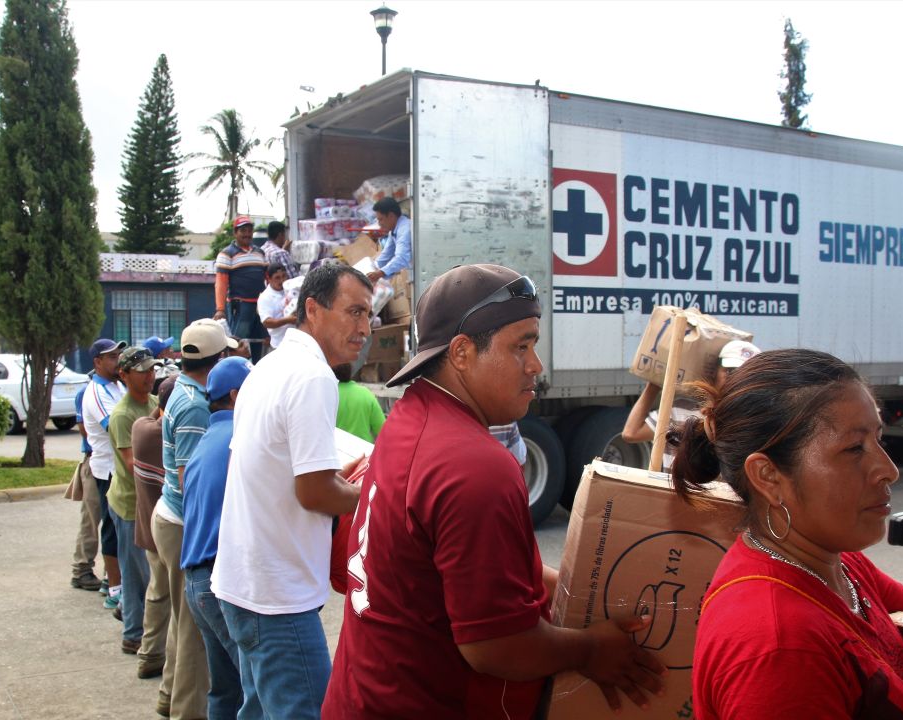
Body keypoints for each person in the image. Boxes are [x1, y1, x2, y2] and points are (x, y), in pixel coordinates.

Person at [323, 264, 664, 720]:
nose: (536, 366)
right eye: (520, 346)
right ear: (462, 353)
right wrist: (592, 651)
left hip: (363, 696)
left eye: (534, 345)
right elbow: (495, 645)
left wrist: (573, 587)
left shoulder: (410, 419)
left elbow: (462, 564)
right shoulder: (474, 465)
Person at [665, 348, 903, 719]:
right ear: (768, 476)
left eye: (879, 439)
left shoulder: (840, 564)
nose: (887, 469)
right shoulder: (780, 646)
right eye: (855, 449)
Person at [215, 264, 373, 719]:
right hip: (277, 597)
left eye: (368, 315)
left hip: (241, 584)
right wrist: (379, 494)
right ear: (312, 309)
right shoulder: (314, 377)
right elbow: (315, 495)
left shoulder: (268, 367)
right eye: (353, 312)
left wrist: (335, 481)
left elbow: (278, 470)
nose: (364, 328)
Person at [155, 320, 238, 720]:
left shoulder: (187, 390)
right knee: (192, 637)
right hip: (183, 523)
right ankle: (184, 711)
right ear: (218, 359)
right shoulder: (193, 405)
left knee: (185, 624)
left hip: (177, 519)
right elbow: (193, 481)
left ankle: (169, 694)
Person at [181, 357, 258, 720]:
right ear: (235, 394)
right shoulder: (238, 438)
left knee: (225, 690)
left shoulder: (209, 437)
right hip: (218, 580)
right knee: (255, 688)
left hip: (197, 580)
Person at [106, 346, 161, 656]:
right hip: (129, 504)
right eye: (142, 373)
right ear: (124, 375)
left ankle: (128, 610)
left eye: (152, 371)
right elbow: (133, 465)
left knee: (145, 573)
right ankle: (132, 634)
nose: (149, 377)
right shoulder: (122, 414)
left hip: (149, 502)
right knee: (136, 573)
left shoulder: (153, 403)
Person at [622, 339, 761, 445]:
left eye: (741, 374)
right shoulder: (678, 409)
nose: (733, 378)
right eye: (729, 371)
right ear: (714, 372)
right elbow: (631, 433)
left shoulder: (752, 422)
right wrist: (653, 386)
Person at [132, 376, 175, 693]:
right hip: (169, 529)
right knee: (178, 610)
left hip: (149, 526)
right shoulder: (164, 435)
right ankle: (166, 676)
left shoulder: (141, 427)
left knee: (156, 595)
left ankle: (148, 654)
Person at [82, 338, 126, 610]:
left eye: (118, 355)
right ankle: (114, 588)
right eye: (111, 357)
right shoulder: (96, 392)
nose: (117, 360)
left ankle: (115, 580)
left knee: (121, 528)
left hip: (119, 466)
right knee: (112, 528)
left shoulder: (117, 385)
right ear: (97, 362)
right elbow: (117, 427)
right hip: (109, 469)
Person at [214, 215, 269, 362]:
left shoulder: (260, 252)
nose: (247, 234)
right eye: (243, 230)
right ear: (235, 233)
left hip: (260, 306)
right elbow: (221, 283)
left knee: (261, 341)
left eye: (249, 230)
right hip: (241, 306)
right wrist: (220, 309)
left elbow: (268, 279)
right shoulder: (227, 254)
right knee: (237, 343)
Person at [70, 368, 103, 592]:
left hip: (107, 464)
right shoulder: (87, 393)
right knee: (91, 520)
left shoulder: (116, 390)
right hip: (94, 463)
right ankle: (81, 569)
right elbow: (85, 429)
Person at [333, 362, 384, 442]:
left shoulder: (328, 395)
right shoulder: (366, 394)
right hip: (364, 452)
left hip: (337, 451)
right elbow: (383, 429)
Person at [365, 197, 411, 284]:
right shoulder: (394, 230)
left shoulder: (405, 230)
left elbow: (402, 258)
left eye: (381, 219)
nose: (379, 224)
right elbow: (385, 255)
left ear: (391, 216)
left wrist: (380, 273)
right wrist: (372, 268)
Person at [257, 263, 297, 351]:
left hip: (297, 342)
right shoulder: (265, 297)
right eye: (277, 278)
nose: (282, 280)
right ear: (269, 279)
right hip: (279, 345)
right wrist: (289, 320)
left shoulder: (292, 289)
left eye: (284, 276)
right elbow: (267, 322)